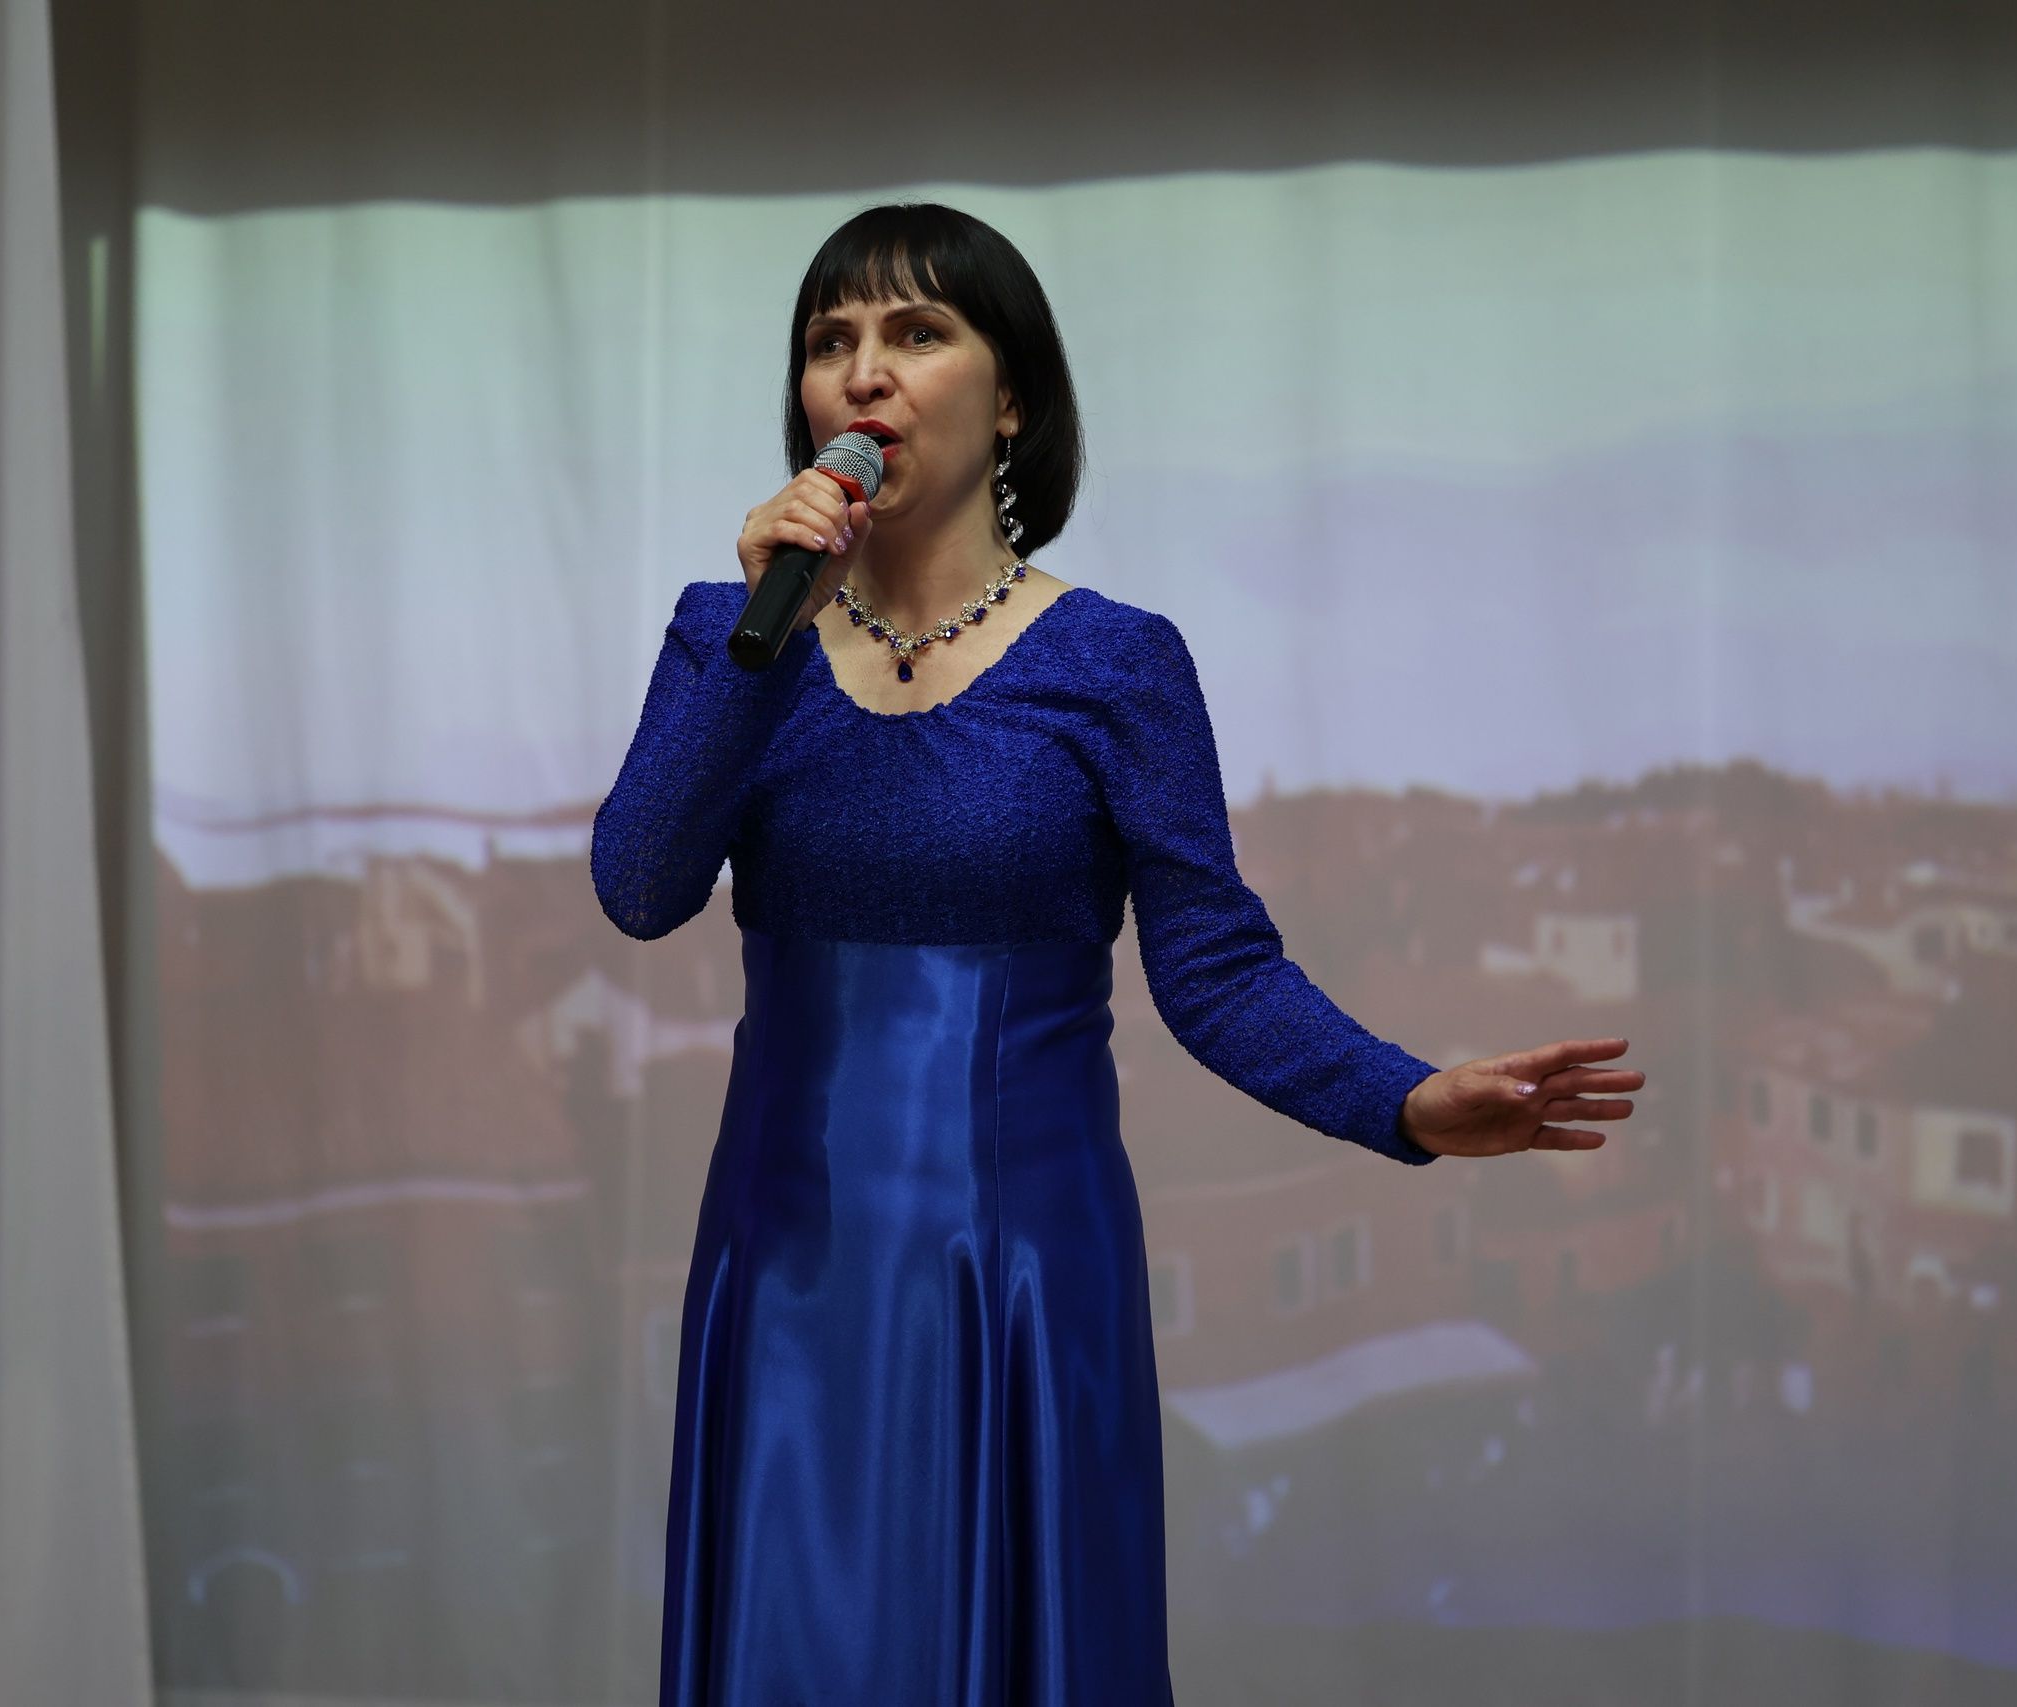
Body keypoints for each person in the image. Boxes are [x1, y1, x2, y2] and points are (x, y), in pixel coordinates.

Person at [590, 202, 1644, 1707]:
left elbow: (1215, 968)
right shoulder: (729, 637)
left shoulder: (1116, 661)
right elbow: (640, 890)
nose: (863, 372)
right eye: (831, 342)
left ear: (1013, 398)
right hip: (789, 1265)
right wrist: (766, 639)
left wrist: (1404, 1101)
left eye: (916, 332)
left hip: (1022, 1265)